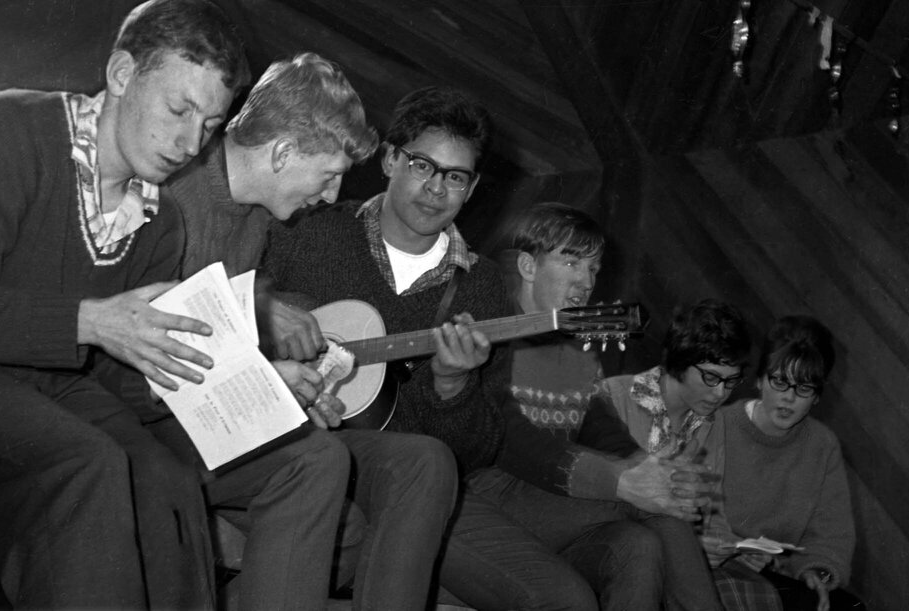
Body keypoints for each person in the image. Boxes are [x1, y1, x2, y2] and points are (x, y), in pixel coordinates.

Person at [264, 86, 613, 610]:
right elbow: (233, 297)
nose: (436, 188)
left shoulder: (481, 289)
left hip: (408, 477)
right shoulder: (311, 227)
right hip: (292, 442)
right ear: (389, 160)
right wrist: (273, 320)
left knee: (566, 600)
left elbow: (474, 451)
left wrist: (453, 384)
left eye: (455, 177)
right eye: (422, 165)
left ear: (470, 190)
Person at [148, 53, 457, 610]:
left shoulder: (259, 216)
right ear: (284, 153)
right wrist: (270, 379)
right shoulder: (173, 195)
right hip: (157, 419)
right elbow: (167, 342)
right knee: (319, 461)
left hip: (216, 413)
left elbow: (249, 305)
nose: (334, 195)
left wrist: (288, 381)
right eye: (331, 174)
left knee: (422, 460)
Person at [0, 0, 249, 607]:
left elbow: (111, 373)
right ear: (122, 75)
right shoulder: (11, 131)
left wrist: (201, 376)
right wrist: (91, 321)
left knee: (168, 479)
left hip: (50, 388)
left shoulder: (162, 224)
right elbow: (97, 331)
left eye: (210, 126)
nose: (190, 143)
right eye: (180, 109)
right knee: (91, 461)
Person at [480, 202, 726, 610]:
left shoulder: (578, 348)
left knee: (639, 545)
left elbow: (599, 428)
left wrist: (647, 466)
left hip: (554, 505)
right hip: (493, 503)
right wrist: (632, 482)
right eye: (571, 261)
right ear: (527, 266)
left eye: (593, 268)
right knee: (646, 503)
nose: (585, 280)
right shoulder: (495, 331)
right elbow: (511, 441)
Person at [699, 316, 864, 611]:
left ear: (816, 397)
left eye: (804, 388)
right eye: (780, 381)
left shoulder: (822, 445)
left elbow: (830, 535)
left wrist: (818, 571)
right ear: (760, 379)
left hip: (777, 575)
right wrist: (703, 545)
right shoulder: (716, 426)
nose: (788, 398)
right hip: (709, 567)